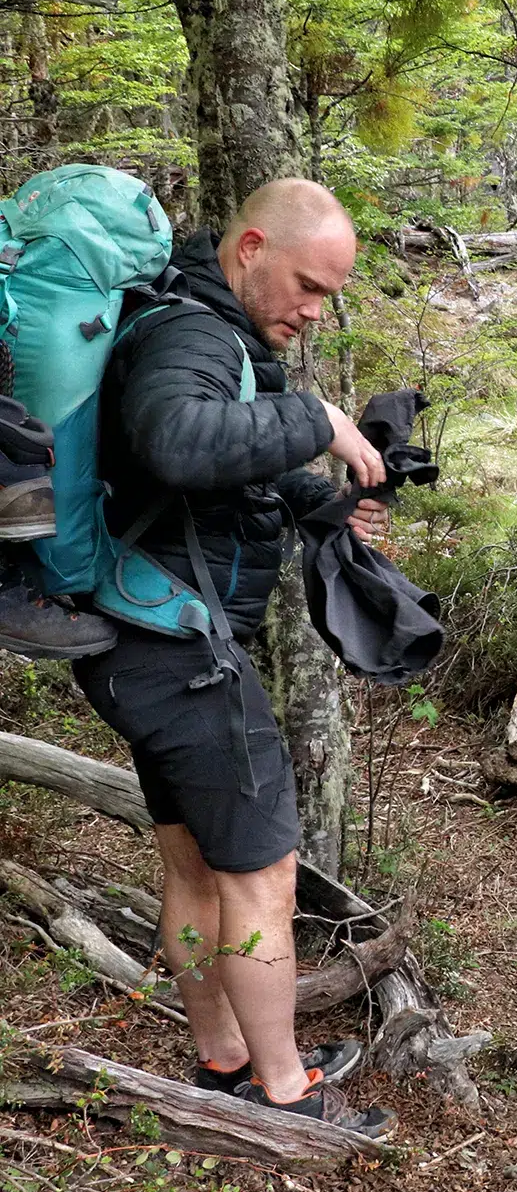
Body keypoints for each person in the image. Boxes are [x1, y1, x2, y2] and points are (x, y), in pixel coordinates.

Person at [71, 178, 395, 1138]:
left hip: (137, 636)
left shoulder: (202, 325)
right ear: (250, 247)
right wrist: (315, 421)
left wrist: (317, 501)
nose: (312, 310)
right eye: (306, 286)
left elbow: (196, 484)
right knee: (261, 874)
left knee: (197, 865)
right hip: (180, 653)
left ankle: (223, 1058)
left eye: (328, 296)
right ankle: (283, 1090)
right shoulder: (196, 336)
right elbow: (175, 440)